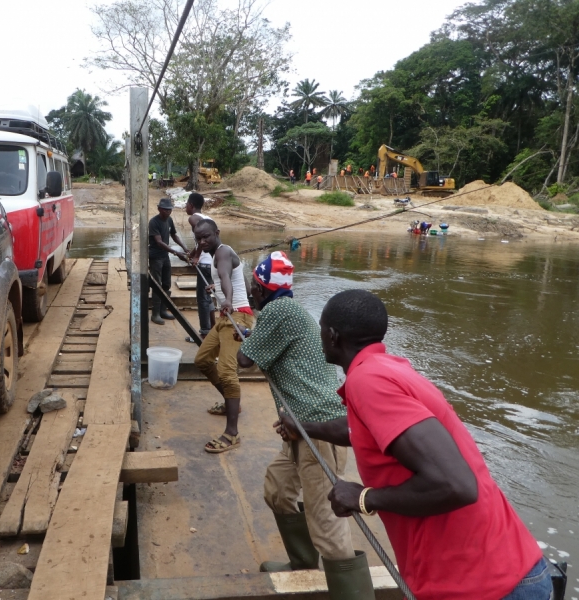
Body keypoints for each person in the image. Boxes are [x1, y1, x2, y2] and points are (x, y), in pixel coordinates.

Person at [278, 289, 550, 600]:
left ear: (333, 336)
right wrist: (306, 428)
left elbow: (457, 485)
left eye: (321, 329)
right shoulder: (389, 369)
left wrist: (365, 498)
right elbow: (359, 430)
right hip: (507, 566)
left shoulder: (368, 382)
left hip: (484, 584)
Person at [236, 253, 371, 598]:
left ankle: (351, 591)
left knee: (328, 526)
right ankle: (302, 566)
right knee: (278, 489)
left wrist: (245, 338)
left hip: (318, 427)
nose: (251, 291)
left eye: (255, 285)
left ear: (263, 288)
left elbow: (245, 360)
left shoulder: (279, 311)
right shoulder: (287, 312)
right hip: (299, 424)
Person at [193, 219, 254, 452]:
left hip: (237, 317)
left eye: (206, 236)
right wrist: (216, 289)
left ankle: (232, 434)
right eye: (199, 238)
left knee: (227, 372)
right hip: (226, 317)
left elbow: (227, 279)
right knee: (202, 360)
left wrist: (227, 298)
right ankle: (231, 404)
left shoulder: (224, 253)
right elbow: (243, 286)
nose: (202, 241)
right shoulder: (218, 253)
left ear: (217, 233)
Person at [148, 198, 188, 325]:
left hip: (165, 256)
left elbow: (174, 235)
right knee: (157, 285)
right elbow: (159, 242)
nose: (168, 212)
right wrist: (176, 253)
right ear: (159, 209)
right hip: (156, 257)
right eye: (165, 210)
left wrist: (184, 247)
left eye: (170, 209)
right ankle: (155, 314)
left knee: (166, 284)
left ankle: (163, 310)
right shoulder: (154, 222)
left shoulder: (169, 220)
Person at [184, 192, 215, 340]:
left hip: (204, 264)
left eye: (186, 204)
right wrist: (193, 252)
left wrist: (197, 256)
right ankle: (213, 329)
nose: (185, 207)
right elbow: (203, 241)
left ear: (191, 205)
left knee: (202, 298)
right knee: (208, 297)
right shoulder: (207, 218)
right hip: (213, 262)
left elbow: (202, 238)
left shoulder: (193, 218)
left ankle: (204, 333)